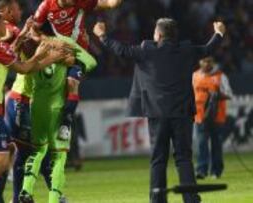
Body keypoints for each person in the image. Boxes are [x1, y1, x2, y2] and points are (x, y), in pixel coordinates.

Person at [93, 18, 226, 203]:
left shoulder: (146, 51)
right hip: (182, 114)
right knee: (184, 158)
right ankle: (191, 199)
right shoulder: (186, 50)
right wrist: (219, 33)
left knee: (158, 159)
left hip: (157, 114)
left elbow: (121, 50)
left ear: (159, 34)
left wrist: (102, 36)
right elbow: (207, 49)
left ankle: (157, 199)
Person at [0, 4, 70, 203]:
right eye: (0, 22)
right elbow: (24, 68)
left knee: (2, 151)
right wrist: (44, 56)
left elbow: (7, 54)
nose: (4, 26)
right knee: (1, 161)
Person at [18, 23, 97, 203]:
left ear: (38, 32)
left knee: (37, 151)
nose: (30, 33)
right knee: (59, 155)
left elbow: (27, 80)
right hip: (58, 107)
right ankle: (54, 199)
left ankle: (26, 191)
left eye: (32, 30)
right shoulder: (64, 44)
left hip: (37, 105)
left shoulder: (29, 48)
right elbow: (92, 62)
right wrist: (75, 64)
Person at [33, 0, 123, 140]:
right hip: (59, 51)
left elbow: (111, 4)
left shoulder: (82, 2)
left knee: (72, 83)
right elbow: (34, 31)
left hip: (79, 53)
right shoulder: (46, 6)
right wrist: (51, 41)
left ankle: (66, 124)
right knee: (56, 93)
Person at [193, 57, 232, 179]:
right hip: (199, 116)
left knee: (216, 144)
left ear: (213, 62)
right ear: (200, 62)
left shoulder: (220, 76)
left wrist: (217, 95)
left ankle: (216, 170)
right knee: (201, 144)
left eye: (209, 61)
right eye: (204, 61)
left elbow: (229, 94)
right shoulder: (195, 75)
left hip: (216, 116)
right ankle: (201, 170)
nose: (206, 63)